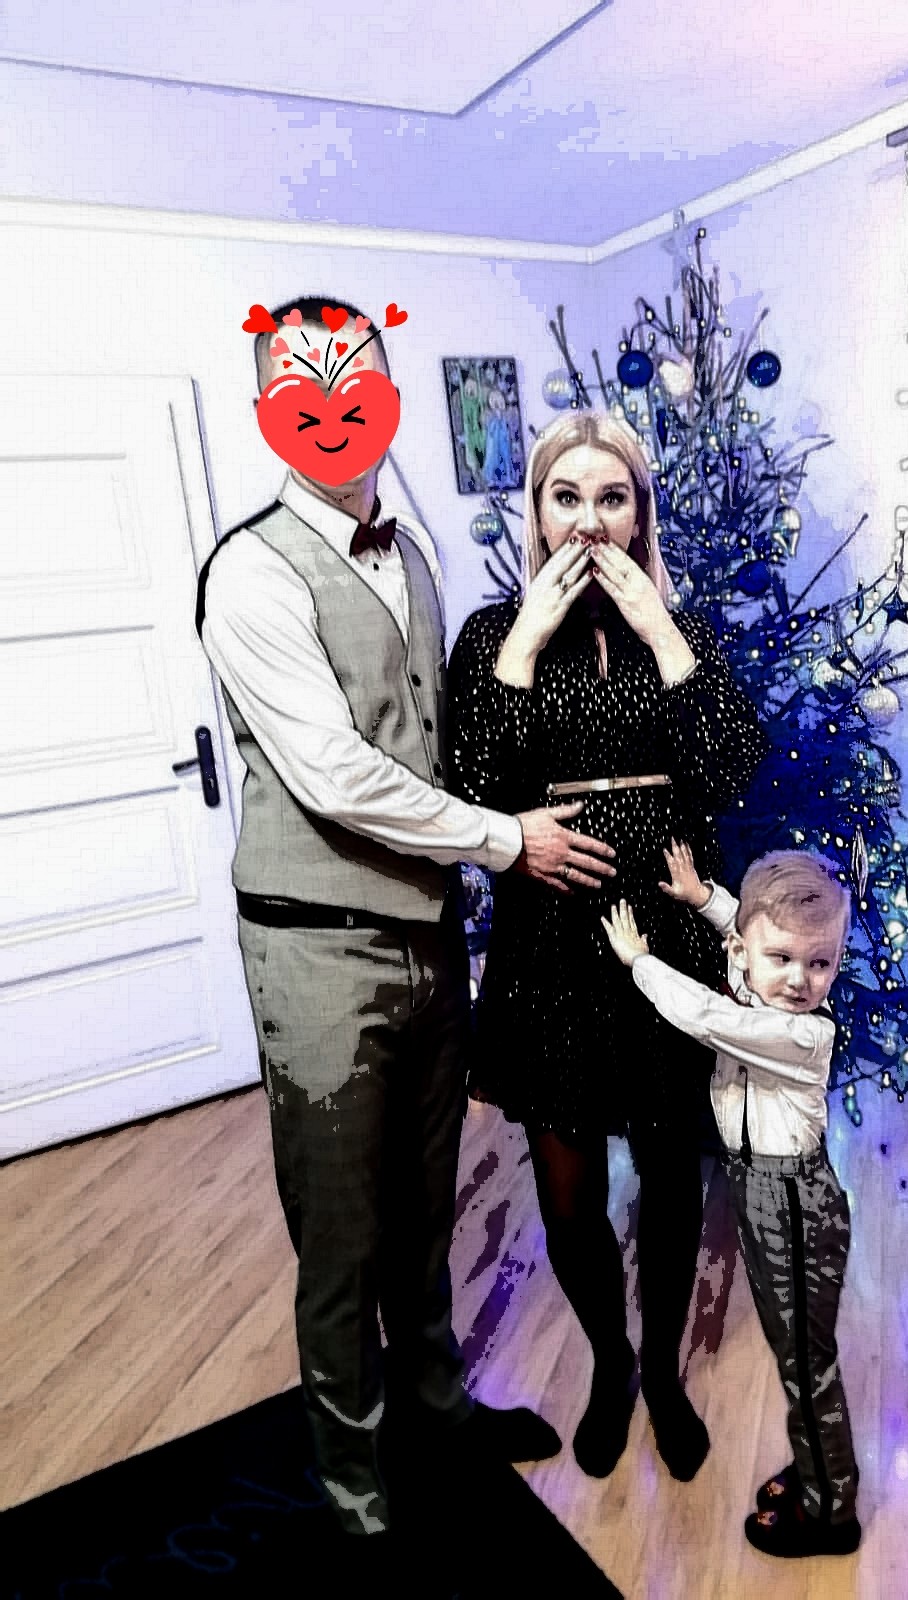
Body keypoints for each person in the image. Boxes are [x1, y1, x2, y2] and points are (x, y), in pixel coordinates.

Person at [196, 296, 617, 1572]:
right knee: (344, 1235)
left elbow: (430, 732)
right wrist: (506, 840)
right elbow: (335, 773)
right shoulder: (252, 571)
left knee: (428, 1210)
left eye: (357, 390)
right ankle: (353, 1481)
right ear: (271, 409)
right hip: (318, 950)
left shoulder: (415, 548)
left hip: (432, 940)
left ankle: (438, 1411)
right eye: (306, 394)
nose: (337, 416)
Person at [447, 410, 767, 1483]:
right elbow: (473, 789)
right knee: (570, 1190)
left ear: (640, 514)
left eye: (612, 498)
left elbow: (730, 772)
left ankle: (665, 1372)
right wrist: (525, 644)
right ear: (538, 514)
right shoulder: (490, 634)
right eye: (567, 497)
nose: (590, 521)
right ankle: (610, 1360)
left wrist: (666, 635)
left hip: (665, 928)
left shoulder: (685, 629)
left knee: (671, 1177)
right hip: (551, 936)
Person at [601, 844, 862, 1559]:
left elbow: (710, 1017)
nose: (800, 980)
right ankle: (819, 1471)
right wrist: (706, 898)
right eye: (784, 960)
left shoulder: (801, 1032)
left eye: (820, 963)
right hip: (762, 1190)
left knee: (806, 1363)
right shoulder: (760, 975)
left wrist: (640, 963)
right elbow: (745, 935)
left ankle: (832, 1512)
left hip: (795, 1202)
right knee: (794, 1352)